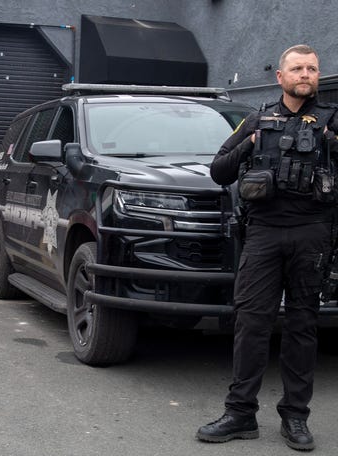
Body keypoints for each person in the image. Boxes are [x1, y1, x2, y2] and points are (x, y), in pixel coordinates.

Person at [196, 44, 338, 451]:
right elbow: (218, 171)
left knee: (302, 326)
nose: (305, 74)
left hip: (313, 233)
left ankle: (296, 417)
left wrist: (332, 141)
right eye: (297, 68)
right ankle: (240, 413)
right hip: (263, 233)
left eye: (312, 68)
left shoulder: (332, 120)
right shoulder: (257, 118)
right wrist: (249, 143)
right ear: (281, 76)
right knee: (251, 323)